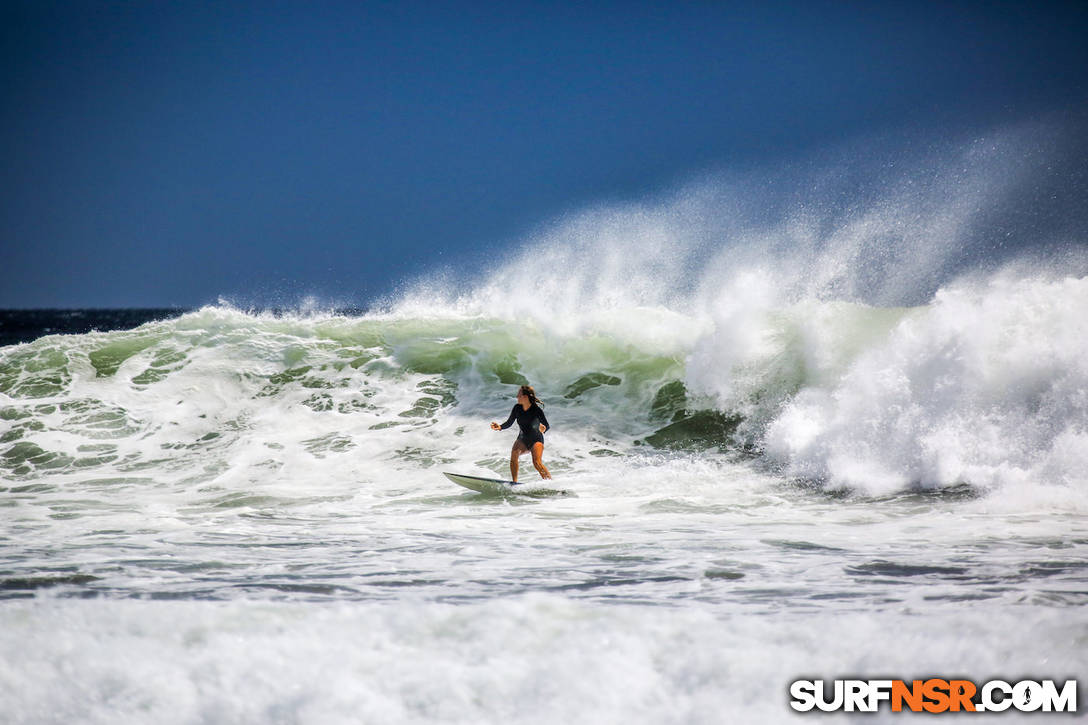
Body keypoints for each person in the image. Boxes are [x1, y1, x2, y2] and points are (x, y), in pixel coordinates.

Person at [491, 385, 552, 482]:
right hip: (523, 438)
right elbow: (509, 422)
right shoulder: (517, 408)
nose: (517, 397)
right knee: (514, 455)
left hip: (536, 439)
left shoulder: (536, 410)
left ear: (525, 397)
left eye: (519, 395)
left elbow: (547, 426)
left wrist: (543, 429)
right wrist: (500, 427)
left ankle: (549, 482)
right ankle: (514, 482)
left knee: (537, 463)